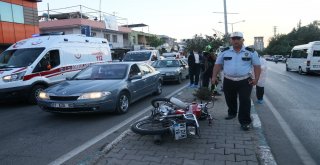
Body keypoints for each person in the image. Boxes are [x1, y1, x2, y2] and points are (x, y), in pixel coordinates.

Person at [211, 32, 261, 131]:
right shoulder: (224, 51)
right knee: (230, 98)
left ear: (243, 40)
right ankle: (232, 113)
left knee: (244, 101)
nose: (236, 41)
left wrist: (256, 79)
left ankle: (245, 122)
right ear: (231, 40)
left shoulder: (251, 52)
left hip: (245, 80)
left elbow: (257, 66)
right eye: (233, 39)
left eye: (238, 38)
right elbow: (218, 65)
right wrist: (213, 77)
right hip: (228, 80)